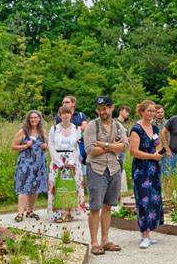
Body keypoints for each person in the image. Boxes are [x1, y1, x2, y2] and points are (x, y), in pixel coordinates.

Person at [83, 96, 129, 255]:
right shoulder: (92, 126)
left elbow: (125, 146)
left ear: (111, 108)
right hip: (97, 168)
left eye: (105, 108)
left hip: (114, 168)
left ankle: (105, 240)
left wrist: (104, 144)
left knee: (108, 205)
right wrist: (112, 147)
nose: (102, 111)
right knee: (95, 206)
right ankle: (94, 242)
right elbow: (90, 150)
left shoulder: (118, 125)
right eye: (100, 109)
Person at [129, 100, 164, 249]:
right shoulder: (136, 129)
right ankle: (144, 234)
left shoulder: (154, 128)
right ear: (142, 111)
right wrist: (152, 156)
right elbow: (134, 152)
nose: (151, 113)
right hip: (141, 168)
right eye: (149, 110)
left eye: (153, 111)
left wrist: (159, 152)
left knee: (153, 199)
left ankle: (149, 232)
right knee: (143, 199)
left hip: (154, 167)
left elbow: (158, 144)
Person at [47, 106, 85, 223]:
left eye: (68, 113)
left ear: (71, 114)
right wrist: (59, 162)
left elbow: (77, 146)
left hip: (72, 160)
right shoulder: (54, 129)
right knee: (56, 185)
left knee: (73, 185)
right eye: (63, 113)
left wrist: (72, 162)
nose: (66, 115)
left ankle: (70, 212)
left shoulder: (76, 129)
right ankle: (57, 214)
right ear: (59, 115)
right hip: (58, 160)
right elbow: (51, 145)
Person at [11, 110, 48, 222]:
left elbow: (47, 147)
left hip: (38, 164)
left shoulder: (42, 132)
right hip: (25, 164)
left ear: (39, 119)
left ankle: (30, 211)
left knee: (34, 188)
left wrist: (45, 146)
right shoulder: (23, 132)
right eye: (31, 118)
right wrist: (25, 146)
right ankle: (20, 213)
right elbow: (13, 146)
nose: (33, 120)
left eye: (36, 118)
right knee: (23, 187)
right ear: (28, 119)